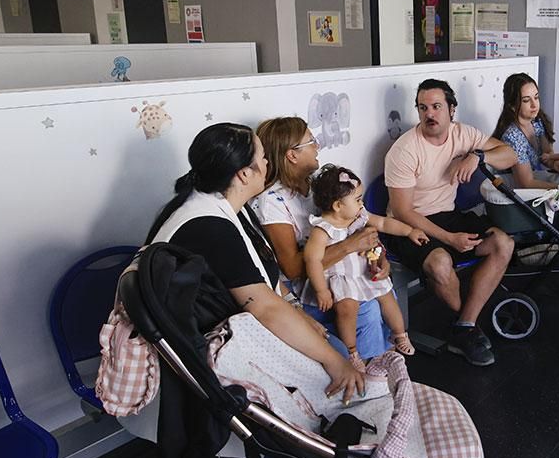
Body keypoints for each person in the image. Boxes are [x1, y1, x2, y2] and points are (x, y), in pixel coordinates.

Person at [144, 122, 366, 403]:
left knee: (335, 348)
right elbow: (264, 307)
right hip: (211, 348)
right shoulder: (210, 227)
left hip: (240, 320)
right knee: (337, 364)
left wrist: (299, 312)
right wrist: (334, 361)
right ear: (244, 174)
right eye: (262, 157)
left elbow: (264, 276)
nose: (267, 162)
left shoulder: (225, 205)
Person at [384, 78, 518, 366]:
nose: (429, 114)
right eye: (423, 108)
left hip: (448, 214)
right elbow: (403, 211)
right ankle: (468, 327)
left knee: (502, 244)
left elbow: (510, 155)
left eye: (436, 107)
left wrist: (477, 156)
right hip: (409, 225)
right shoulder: (405, 149)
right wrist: (449, 238)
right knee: (440, 262)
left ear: (451, 109)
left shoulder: (463, 134)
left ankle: (465, 326)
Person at [251, 116, 393, 361]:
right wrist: (349, 247)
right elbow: (292, 269)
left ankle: (385, 358)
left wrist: (378, 256)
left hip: (342, 272)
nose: (318, 146)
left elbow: (357, 225)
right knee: (365, 304)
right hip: (308, 289)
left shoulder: (317, 187)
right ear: (292, 155)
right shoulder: (272, 203)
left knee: (383, 287)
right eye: (311, 141)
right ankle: (368, 370)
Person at [304, 164, 427, 363]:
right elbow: (312, 260)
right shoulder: (322, 230)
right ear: (338, 206)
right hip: (341, 280)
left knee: (387, 296)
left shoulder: (359, 216)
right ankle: (352, 351)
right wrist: (321, 290)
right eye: (358, 199)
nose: (362, 204)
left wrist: (409, 231)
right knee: (347, 309)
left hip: (363, 272)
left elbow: (384, 223)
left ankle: (399, 333)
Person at [491, 72, 559, 189]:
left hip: (535, 177)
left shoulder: (536, 121)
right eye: (526, 100)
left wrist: (553, 163)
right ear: (512, 106)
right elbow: (526, 183)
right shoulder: (513, 137)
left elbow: (546, 154)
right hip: (516, 191)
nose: (534, 105)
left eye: (536, 97)